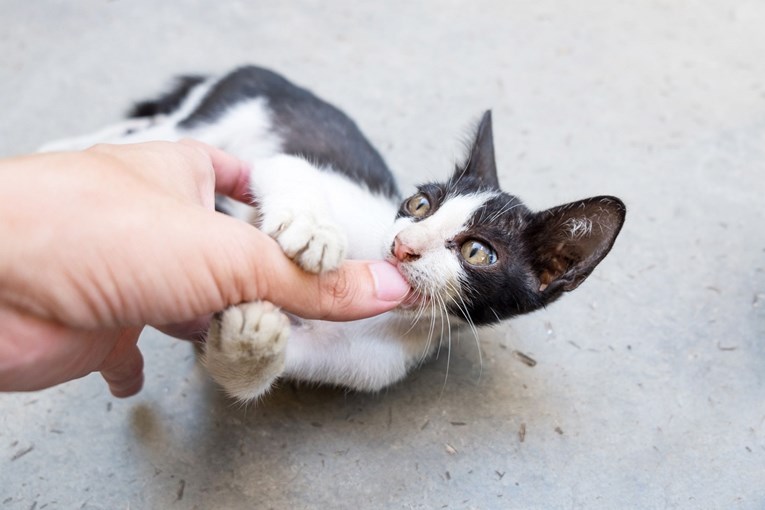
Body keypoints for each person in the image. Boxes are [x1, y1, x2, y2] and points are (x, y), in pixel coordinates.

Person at [0, 140, 410, 398]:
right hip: (227, 146)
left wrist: (250, 358)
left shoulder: (381, 364)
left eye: (476, 254)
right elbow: (282, 170)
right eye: (422, 207)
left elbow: (246, 374)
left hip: (186, 202)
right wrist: (302, 211)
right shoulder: (375, 221)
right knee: (140, 155)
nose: (411, 242)